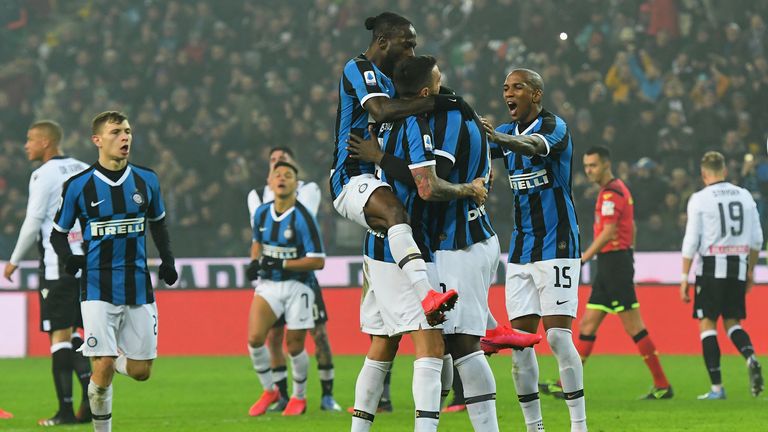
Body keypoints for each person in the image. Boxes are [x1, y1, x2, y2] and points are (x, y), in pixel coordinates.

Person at [349, 56, 541, 430]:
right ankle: (492, 326)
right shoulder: (417, 116)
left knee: (456, 345)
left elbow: (434, 184)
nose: (443, 85)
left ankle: (490, 334)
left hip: (458, 241)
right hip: (421, 247)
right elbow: (427, 186)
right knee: (397, 343)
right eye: (438, 79)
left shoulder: (447, 116)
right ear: (424, 91)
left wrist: (380, 158)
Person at [331, 12, 469, 324]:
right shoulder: (358, 67)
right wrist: (439, 102)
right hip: (350, 176)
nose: (411, 53)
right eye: (406, 46)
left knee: (381, 345)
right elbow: (380, 111)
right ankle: (426, 294)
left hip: (380, 177)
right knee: (396, 213)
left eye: (414, 46)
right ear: (382, 42)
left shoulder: (394, 81)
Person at [51, 111, 178, 432]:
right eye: (117, 132)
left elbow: (158, 225)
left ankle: (104, 359)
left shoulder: (146, 179)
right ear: (98, 140)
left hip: (138, 285)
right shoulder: (79, 186)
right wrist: (69, 258)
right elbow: (57, 232)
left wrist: (167, 260)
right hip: (96, 286)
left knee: (140, 371)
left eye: (128, 131)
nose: (125, 138)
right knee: (103, 364)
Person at [481, 68, 586, 432]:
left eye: (518, 87)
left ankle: (578, 425)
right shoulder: (505, 133)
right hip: (522, 249)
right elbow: (478, 151)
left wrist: (494, 138)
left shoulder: (555, 127)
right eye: (505, 87)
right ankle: (534, 428)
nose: (509, 93)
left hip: (558, 244)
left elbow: (531, 146)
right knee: (521, 345)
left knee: (558, 336)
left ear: (536, 94)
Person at [540, 146, 673, 400]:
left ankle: (663, 384)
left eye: (593, 165)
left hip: (614, 265)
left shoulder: (611, 194)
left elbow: (609, 231)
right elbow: (630, 226)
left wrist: (584, 257)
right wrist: (628, 251)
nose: (589, 170)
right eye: (587, 166)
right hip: (612, 263)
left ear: (606, 165)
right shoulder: (616, 190)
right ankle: (566, 383)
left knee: (634, 326)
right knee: (588, 323)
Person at [2, 120, 93, 425]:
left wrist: (14, 259)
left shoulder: (43, 174)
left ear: (45, 143)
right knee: (81, 334)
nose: (26, 145)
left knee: (59, 336)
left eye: (30, 140)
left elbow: (33, 221)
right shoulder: (83, 167)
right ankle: (90, 404)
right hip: (87, 262)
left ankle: (66, 411)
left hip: (58, 264)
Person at [247, 147, 340, 412]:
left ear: (295, 183)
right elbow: (257, 242)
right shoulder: (262, 213)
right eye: (277, 173)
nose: (282, 177)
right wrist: (254, 262)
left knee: (296, 343)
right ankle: (271, 391)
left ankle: (301, 396)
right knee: (256, 339)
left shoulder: (303, 217)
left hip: (299, 284)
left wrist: (282, 262)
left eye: (288, 174)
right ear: (270, 181)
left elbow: (318, 260)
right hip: (269, 285)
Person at [680, 151, 764, 399]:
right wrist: (750, 270)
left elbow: (691, 240)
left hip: (710, 267)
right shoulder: (745, 195)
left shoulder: (699, 198)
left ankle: (717, 388)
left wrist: (684, 276)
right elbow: (757, 239)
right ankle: (750, 356)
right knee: (732, 322)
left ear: (704, 174)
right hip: (738, 265)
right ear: (725, 171)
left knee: (707, 323)